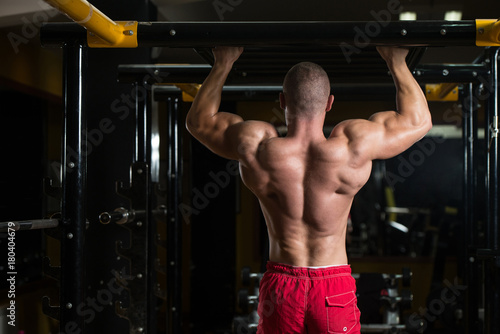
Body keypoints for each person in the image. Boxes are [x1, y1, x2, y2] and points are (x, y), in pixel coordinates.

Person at [186, 46, 432, 333]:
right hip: (333, 285)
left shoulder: (257, 146)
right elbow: (419, 121)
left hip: (281, 285)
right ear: (329, 103)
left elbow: (199, 121)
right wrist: (396, 61)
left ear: (282, 100)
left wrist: (222, 62)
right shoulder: (353, 145)